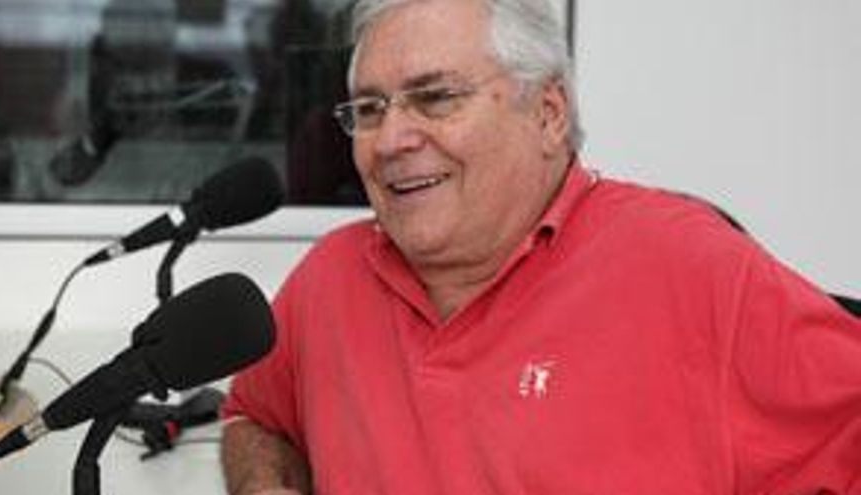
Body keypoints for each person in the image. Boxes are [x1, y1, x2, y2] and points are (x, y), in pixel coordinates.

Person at [220, 0, 861, 493]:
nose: (390, 140)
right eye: (369, 108)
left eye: (436, 98)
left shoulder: (694, 267)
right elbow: (253, 417)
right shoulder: (329, 279)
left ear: (549, 113)